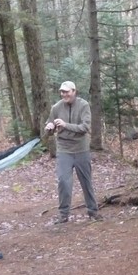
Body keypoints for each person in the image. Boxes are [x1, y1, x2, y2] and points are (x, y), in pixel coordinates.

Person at [44, 80, 100, 223]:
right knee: (63, 181)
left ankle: (93, 211)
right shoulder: (56, 107)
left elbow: (85, 127)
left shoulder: (83, 105)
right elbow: (49, 130)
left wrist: (65, 125)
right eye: (62, 92)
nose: (64, 94)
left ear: (74, 91)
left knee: (86, 182)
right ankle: (63, 214)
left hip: (81, 149)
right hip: (64, 150)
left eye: (67, 91)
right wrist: (49, 128)